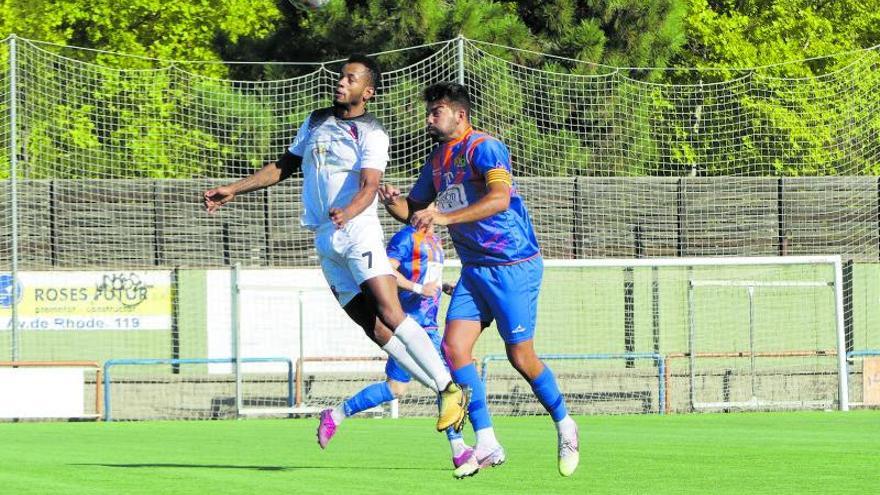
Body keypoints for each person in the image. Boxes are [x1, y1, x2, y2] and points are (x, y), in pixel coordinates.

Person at [203, 55, 468, 437]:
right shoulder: (314, 121)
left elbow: (369, 186)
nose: (342, 82)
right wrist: (233, 189)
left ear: (368, 91)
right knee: (374, 329)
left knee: (392, 313)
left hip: (358, 232)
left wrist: (348, 211)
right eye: (341, 76)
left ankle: (448, 388)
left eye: (351, 78)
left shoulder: (372, 133)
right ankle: (446, 394)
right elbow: (284, 165)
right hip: (325, 238)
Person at [379, 82, 579, 478]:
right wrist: (393, 204)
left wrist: (443, 217)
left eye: (436, 112)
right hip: (474, 270)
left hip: (512, 265)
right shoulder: (436, 161)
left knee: (520, 356)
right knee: (454, 350)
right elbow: (415, 212)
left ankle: (565, 424)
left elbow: (500, 198)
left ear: (460, 115)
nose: (429, 119)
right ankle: (487, 441)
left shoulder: (484, 147)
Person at [316, 222, 475, 472]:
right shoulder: (406, 238)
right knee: (445, 386)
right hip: (410, 325)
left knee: (396, 388)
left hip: (428, 323)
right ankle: (460, 450)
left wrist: (441, 287)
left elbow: (423, 274)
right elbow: (387, 273)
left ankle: (336, 415)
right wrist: (419, 289)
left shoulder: (435, 241)